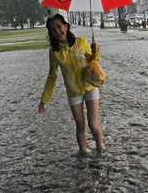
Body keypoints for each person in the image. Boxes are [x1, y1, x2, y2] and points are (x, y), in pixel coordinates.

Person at [38, 14, 104, 155]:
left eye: (59, 27)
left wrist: (95, 51)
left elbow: (94, 62)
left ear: (66, 26)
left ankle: (100, 148)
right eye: (53, 29)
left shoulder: (80, 42)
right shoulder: (54, 52)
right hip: (74, 93)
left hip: (90, 87)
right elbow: (52, 77)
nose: (57, 31)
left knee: (93, 124)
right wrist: (44, 99)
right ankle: (83, 152)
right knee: (80, 125)